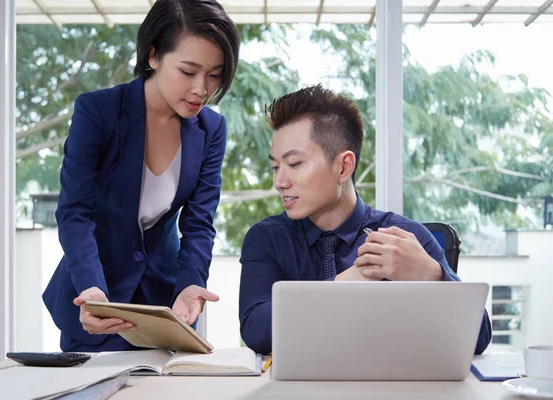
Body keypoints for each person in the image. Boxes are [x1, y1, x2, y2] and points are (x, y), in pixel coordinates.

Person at [43, 0, 240, 352]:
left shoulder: (211, 129)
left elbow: (199, 223)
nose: (202, 89)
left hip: (164, 304)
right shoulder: (98, 112)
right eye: (188, 71)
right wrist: (91, 288)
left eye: (215, 74)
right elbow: (75, 213)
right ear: (153, 56)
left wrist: (191, 283)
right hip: (95, 298)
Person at [238, 85, 492, 355]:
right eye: (276, 167)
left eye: (295, 164)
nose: (279, 182)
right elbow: (256, 331)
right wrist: (347, 284)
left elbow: (478, 339)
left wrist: (432, 276)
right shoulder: (267, 238)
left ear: (344, 166)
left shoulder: (403, 238)